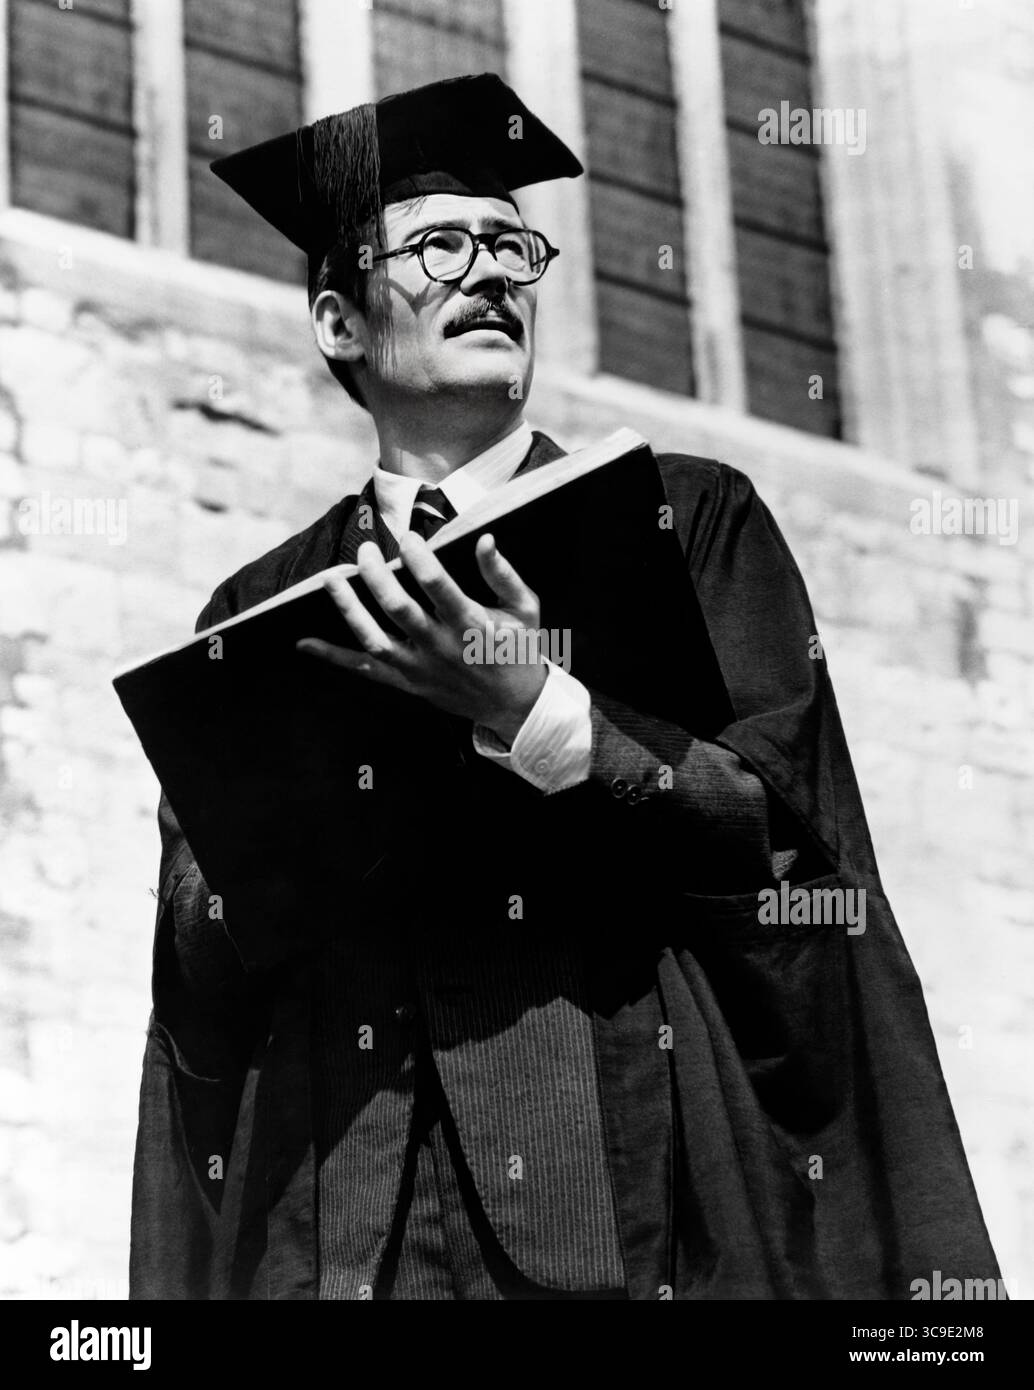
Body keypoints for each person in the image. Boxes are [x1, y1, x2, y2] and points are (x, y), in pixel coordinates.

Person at [129, 73, 1002, 1300]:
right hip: (339, 1237)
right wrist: (210, 865)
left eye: (510, 247)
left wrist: (534, 712)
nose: (492, 274)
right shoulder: (265, 606)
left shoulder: (685, 520)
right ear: (338, 322)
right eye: (441, 246)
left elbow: (788, 854)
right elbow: (203, 1005)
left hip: (616, 1204)